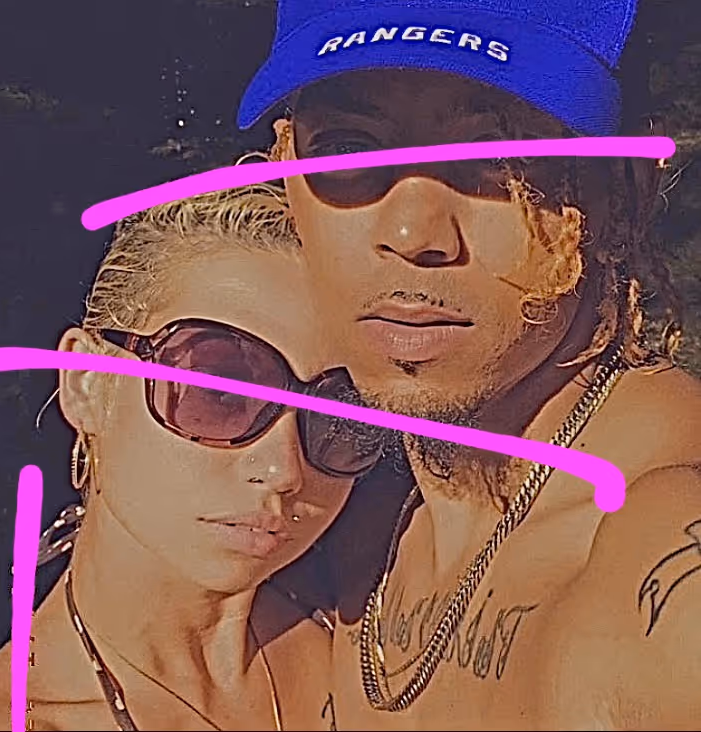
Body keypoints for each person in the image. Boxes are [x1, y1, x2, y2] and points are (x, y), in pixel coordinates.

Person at [235, 0, 701, 729]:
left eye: (497, 160)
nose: (410, 232)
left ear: (623, 195)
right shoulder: (330, 515)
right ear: (286, 177)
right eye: (350, 149)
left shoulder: (660, 548)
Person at [0, 186, 384, 731]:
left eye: (344, 414)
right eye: (219, 391)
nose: (284, 470)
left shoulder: (380, 637)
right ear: (87, 383)